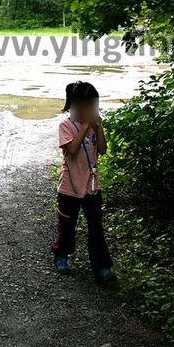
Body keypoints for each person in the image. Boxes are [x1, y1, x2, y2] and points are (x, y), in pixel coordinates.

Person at [51, 80, 117, 284]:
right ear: (74, 105)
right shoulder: (66, 125)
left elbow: (103, 149)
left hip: (92, 187)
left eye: (92, 105)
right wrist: (86, 125)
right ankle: (61, 254)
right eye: (85, 106)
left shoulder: (95, 125)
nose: (89, 109)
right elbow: (71, 150)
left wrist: (98, 129)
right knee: (67, 225)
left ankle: (102, 266)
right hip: (70, 187)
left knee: (96, 227)